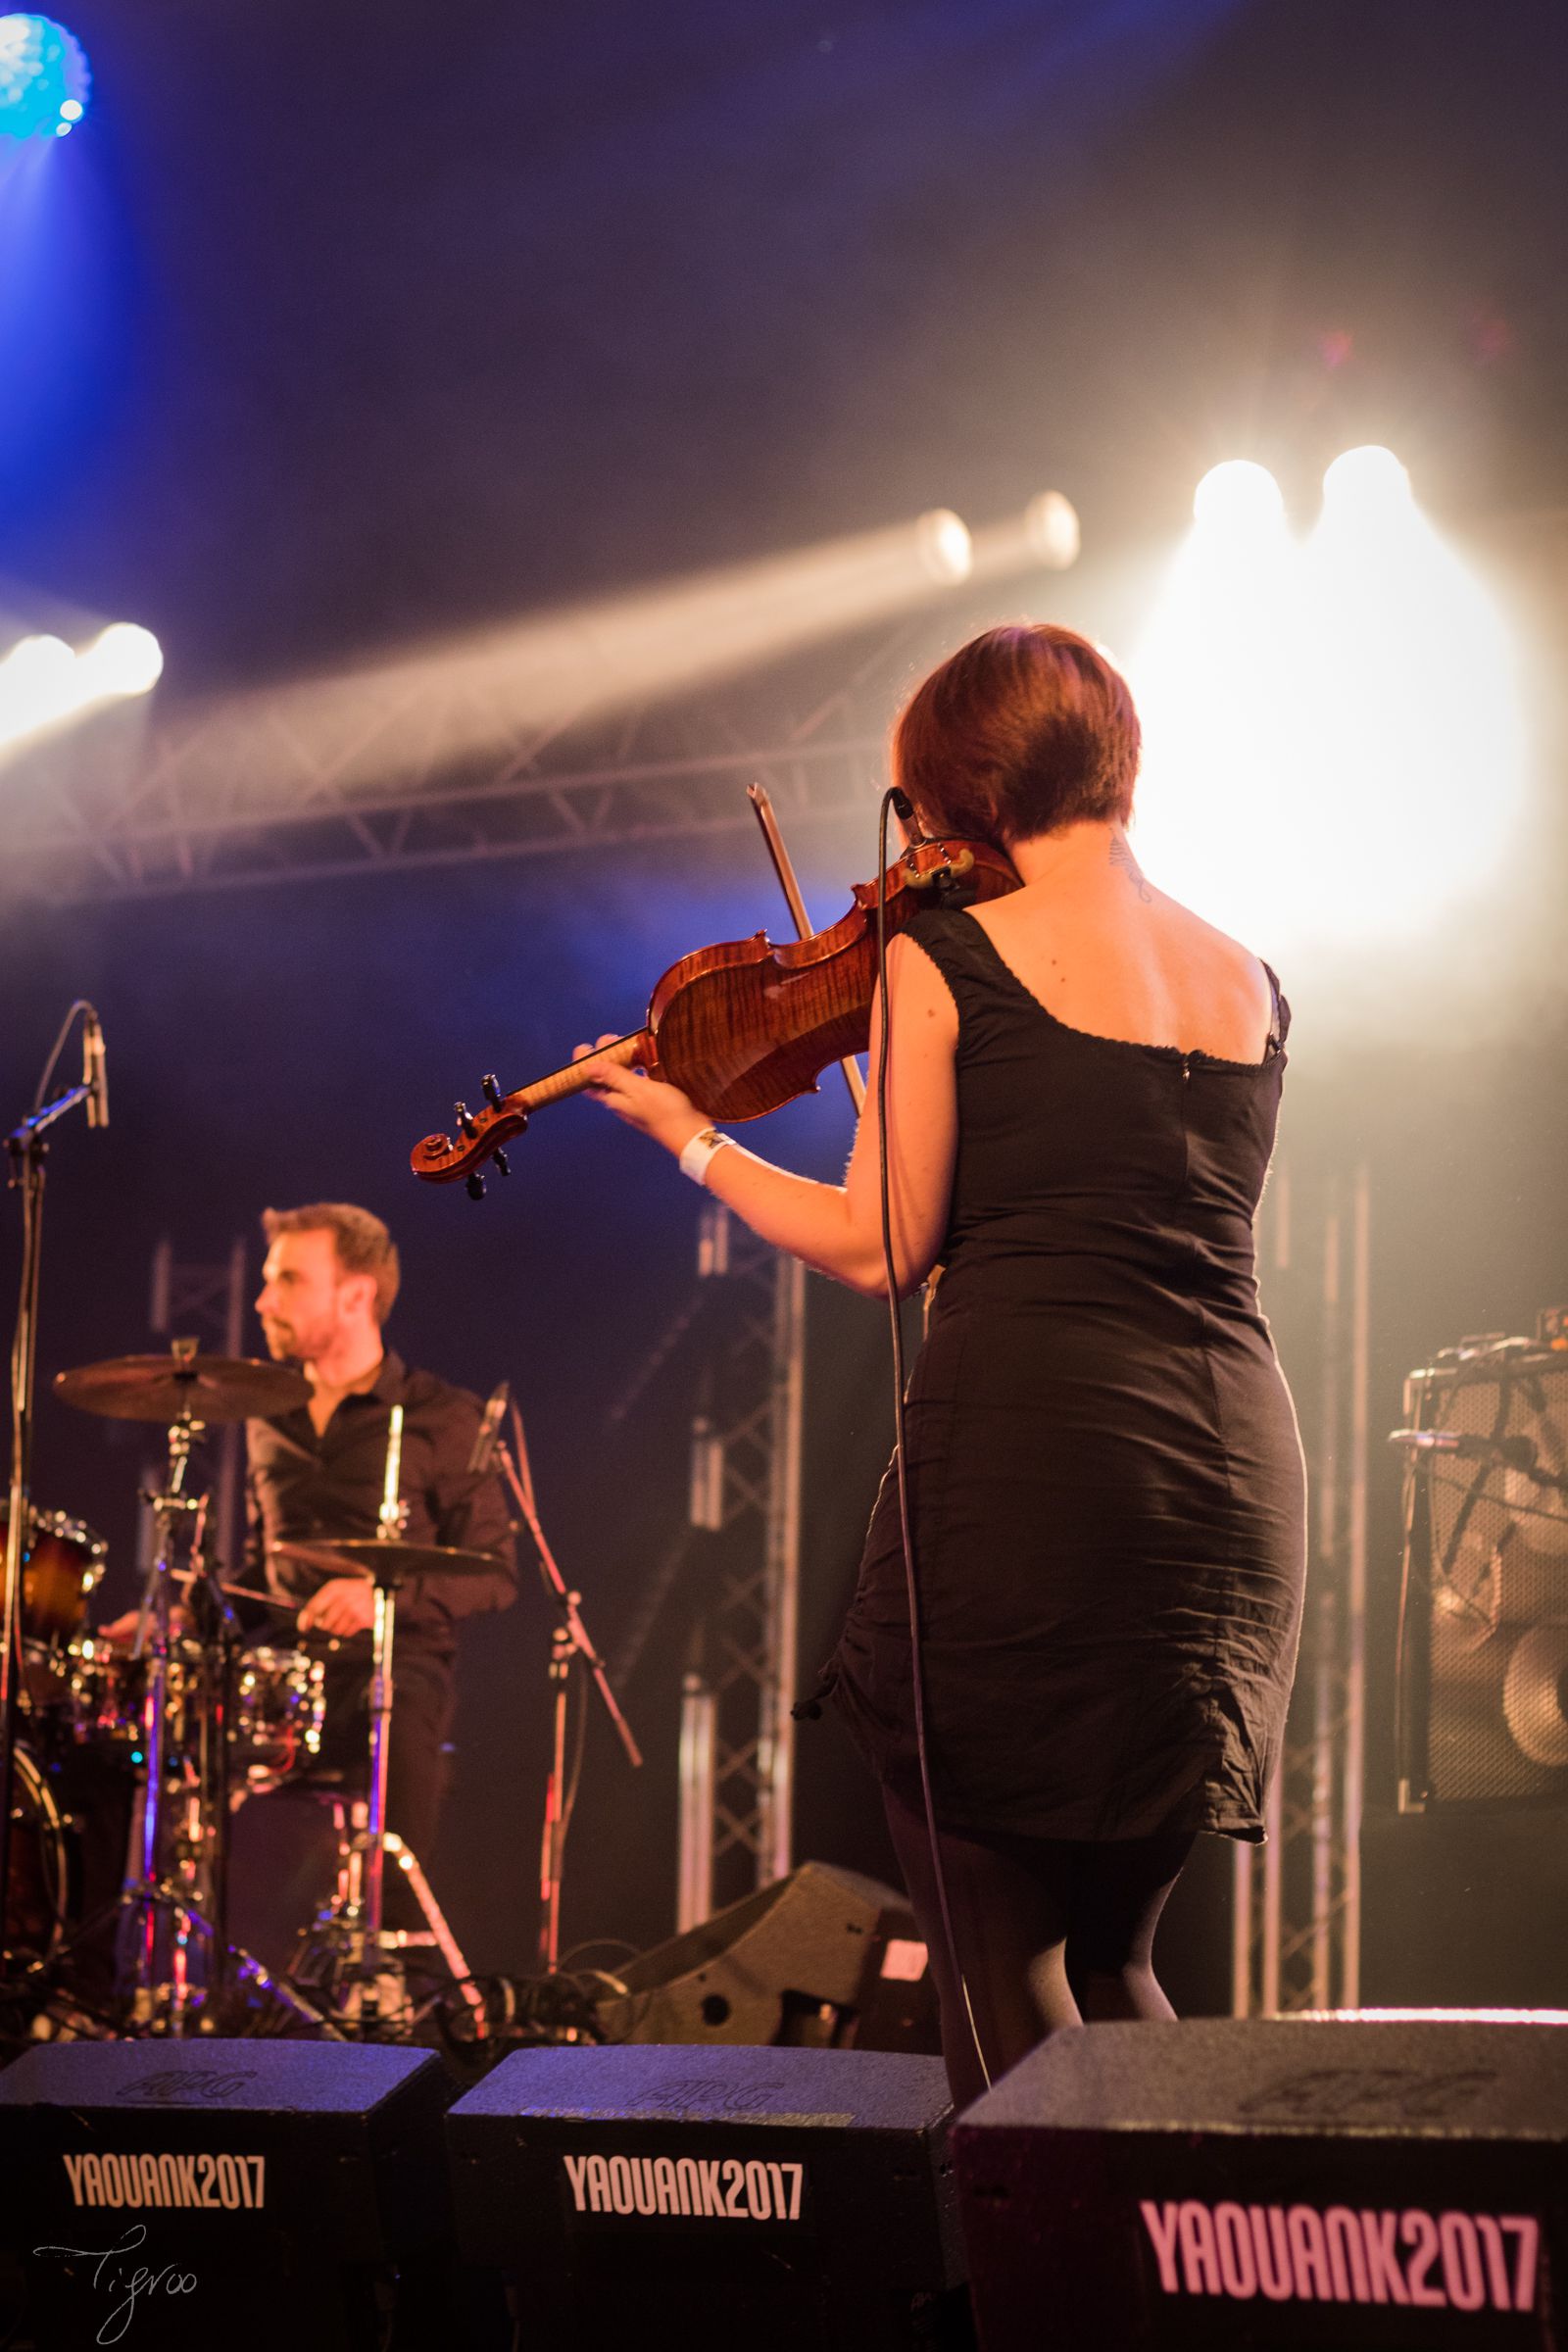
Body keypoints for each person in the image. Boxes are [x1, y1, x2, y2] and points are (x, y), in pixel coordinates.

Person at [574, 622, 1307, 2107]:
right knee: (1114, 1955)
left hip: (1041, 1460)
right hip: (1230, 1475)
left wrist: (691, 1136)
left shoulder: (944, 950)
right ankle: (1191, 2292)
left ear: (956, 791)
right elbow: (1118, 1193)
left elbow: (878, 1246)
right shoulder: (1248, 978)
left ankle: (1034, 2302)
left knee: (997, 1954)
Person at [244, 1202, 516, 1918]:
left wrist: (381, 1600)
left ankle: (387, 1962)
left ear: (356, 1294)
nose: (262, 1300)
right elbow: (257, 1569)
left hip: (395, 1669)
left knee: (393, 1726)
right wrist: (175, 1618)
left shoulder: (442, 1418)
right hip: (281, 1674)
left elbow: (495, 1569)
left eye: (288, 1281)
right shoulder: (261, 1415)